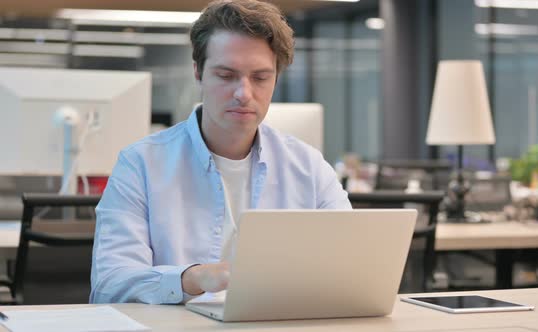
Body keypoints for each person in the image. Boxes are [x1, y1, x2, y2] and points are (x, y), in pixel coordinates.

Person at [90, 0, 351, 304]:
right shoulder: (141, 164)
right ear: (198, 73)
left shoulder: (308, 166)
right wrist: (193, 278)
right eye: (226, 76)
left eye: (261, 78)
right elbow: (110, 283)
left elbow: (349, 265)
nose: (243, 93)